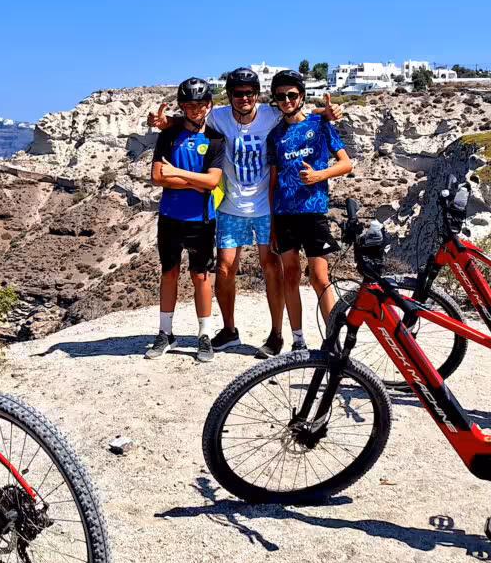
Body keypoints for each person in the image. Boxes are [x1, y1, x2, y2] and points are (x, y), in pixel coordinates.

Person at [148, 69, 341, 358]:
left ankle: (276, 335)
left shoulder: (269, 115)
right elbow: (194, 115)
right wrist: (166, 122)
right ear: (229, 96)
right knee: (225, 268)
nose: (244, 98)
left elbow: (293, 108)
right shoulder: (218, 116)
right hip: (231, 206)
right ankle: (228, 330)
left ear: (258, 94)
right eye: (237, 93)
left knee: (271, 268)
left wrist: (326, 111)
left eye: (249, 92)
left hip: (265, 205)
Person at [267, 69, 353, 351]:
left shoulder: (320, 123)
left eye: (292, 94)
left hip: (313, 211)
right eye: (281, 96)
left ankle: (333, 343)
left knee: (319, 277)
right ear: (276, 100)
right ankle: (298, 341)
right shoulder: (275, 135)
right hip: (284, 213)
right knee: (289, 275)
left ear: (301, 96)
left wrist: (319, 175)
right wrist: (270, 224)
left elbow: (346, 163)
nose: (287, 100)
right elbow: (273, 181)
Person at [146, 78, 226, 362]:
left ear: (209, 105)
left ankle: (204, 335)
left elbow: (213, 182)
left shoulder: (216, 139)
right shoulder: (169, 135)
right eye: (190, 105)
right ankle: (165, 333)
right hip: (170, 217)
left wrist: (180, 177)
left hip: (202, 219)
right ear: (182, 106)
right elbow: (157, 177)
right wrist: (197, 182)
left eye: (201, 104)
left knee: (201, 276)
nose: (196, 110)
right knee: (169, 273)